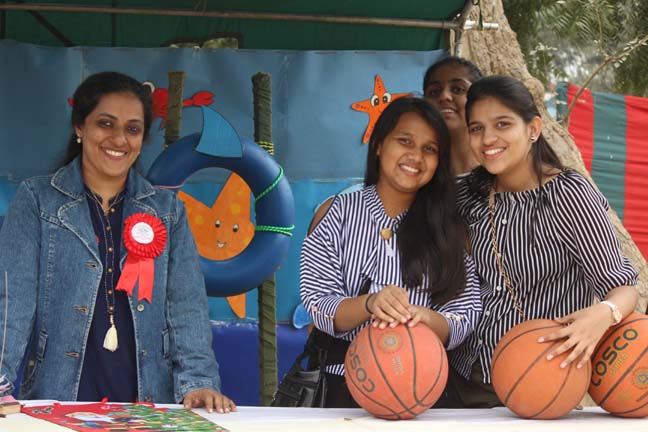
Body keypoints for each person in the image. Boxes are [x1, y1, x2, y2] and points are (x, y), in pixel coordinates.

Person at [0, 71, 235, 413]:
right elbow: (12, 300)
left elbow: (186, 306)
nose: (119, 139)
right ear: (80, 126)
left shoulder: (167, 210)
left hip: (149, 400)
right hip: (60, 396)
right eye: (105, 124)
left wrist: (199, 381)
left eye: (132, 129)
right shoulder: (38, 200)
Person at [449, 75, 639, 407]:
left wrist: (603, 313)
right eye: (477, 128)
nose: (488, 138)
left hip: (542, 383)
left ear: (533, 128)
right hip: (461, 378)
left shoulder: (569, 195)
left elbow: (623, 288)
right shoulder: (465, 194)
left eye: (503, 124)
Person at [300, 97, 482, 408]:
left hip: (423, 387)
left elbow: (465, 313)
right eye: (405, 141)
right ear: (379, 145)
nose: (416, 156)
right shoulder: (336, 213)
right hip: (342, 385)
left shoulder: (448, 228)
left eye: (429, 149)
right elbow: (317, 301)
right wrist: (370, 303)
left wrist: (426, 318)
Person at [423, 56, 483, 177]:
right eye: (434, 92)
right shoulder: (416, 175)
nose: (444, 96)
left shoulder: (503, 176)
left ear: (480, 100)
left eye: (458, 89)